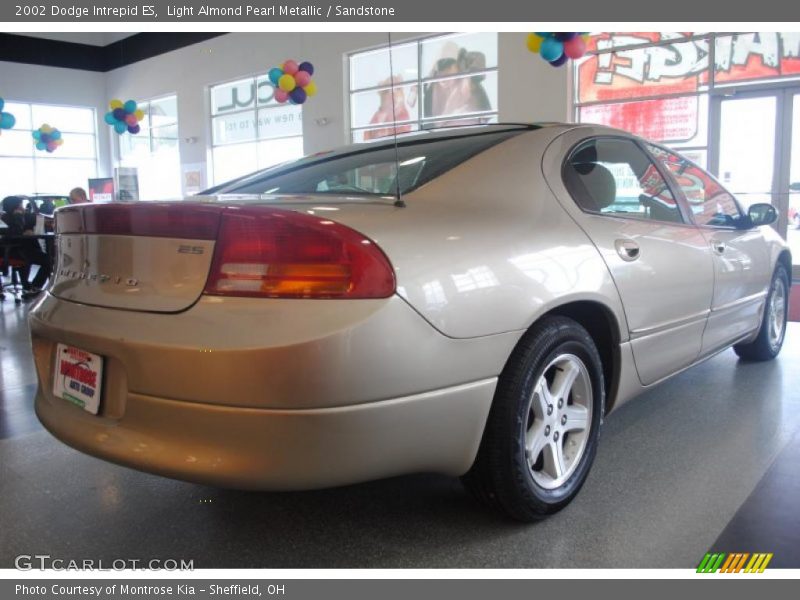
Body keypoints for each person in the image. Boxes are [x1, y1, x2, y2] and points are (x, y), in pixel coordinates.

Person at [1, 195, 52, 294]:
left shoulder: (15, 217)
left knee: (37, 256)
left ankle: (28, 286)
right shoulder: (8, 218)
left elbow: (37, 220)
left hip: (18, 250)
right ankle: (35, 286)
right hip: (16, 251)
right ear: (16, 207)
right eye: (21, 205)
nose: (23, 207)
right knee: (48, 261)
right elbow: (17, 231)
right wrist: (18, 216)